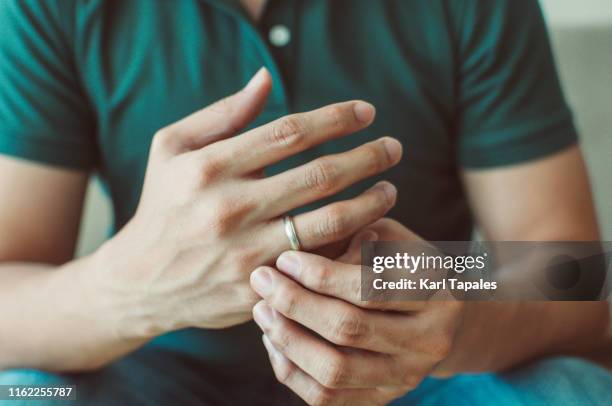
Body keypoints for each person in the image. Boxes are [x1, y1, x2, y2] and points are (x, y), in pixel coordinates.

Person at [0, 0, 610, 405]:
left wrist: (443, 301)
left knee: (577, 390)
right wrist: (128, 288)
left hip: (427, 384)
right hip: (146, 374)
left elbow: (580, 279)